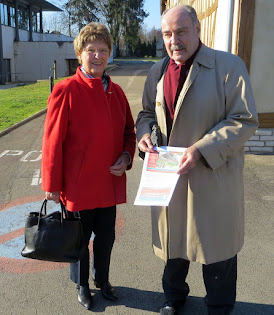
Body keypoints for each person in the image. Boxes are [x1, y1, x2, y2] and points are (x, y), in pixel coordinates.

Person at [136, 5, 258, 315]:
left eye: (181, 31)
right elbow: (147, 114)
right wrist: (144, 135)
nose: (173, 40)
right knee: (173, 248)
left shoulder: (229, 67)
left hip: (212, 179)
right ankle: (173, 299)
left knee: (216, 250)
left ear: (197, 30)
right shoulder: (157, 71)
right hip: (169, 181)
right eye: (167, 34)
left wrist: (202, 149)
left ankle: (219, 307)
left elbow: (243, 120)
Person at [41, 22, 136, 311]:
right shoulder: (65, 89)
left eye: (103, 50)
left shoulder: (116, 92)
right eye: (91, 50)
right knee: (79, 240)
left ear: (110, 54)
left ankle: (102, 280)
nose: (98, 56)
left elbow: (129, 134)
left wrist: (126, 157)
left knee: (106, 237)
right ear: (80, 53)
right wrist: (52, 185)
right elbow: (52, 141)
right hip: (78, 185)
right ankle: (82, 285)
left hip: (108, 182)